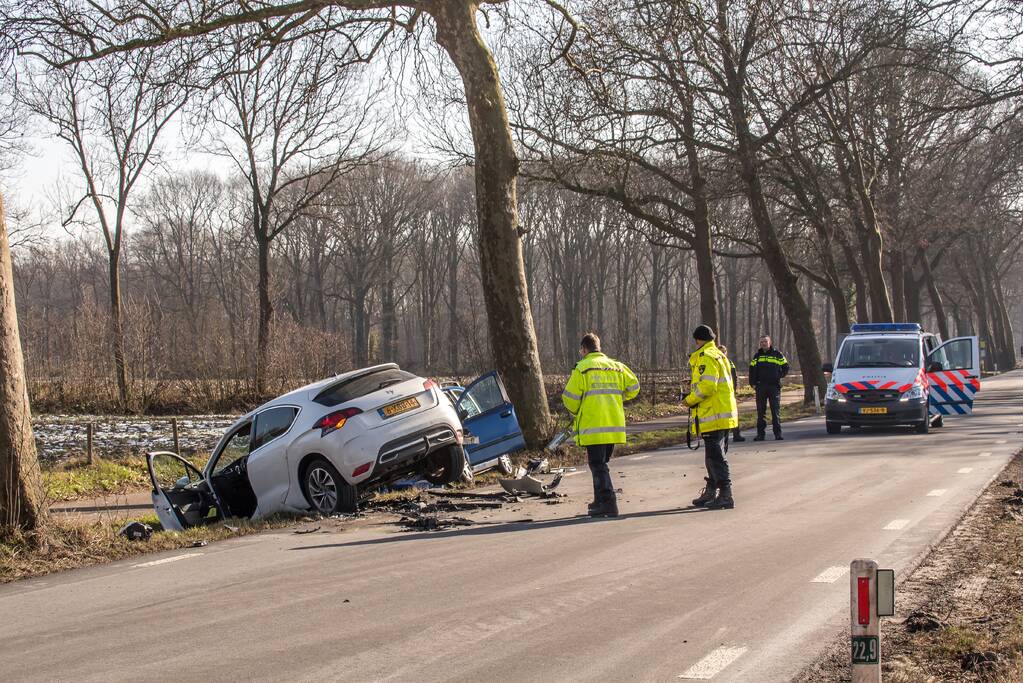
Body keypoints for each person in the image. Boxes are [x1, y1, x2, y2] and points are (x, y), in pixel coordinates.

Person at [562, 332, 640, 518]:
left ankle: (608, 502)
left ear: (584, 349)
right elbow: (635, 387)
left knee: (597, 465)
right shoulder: (617, 367)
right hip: (613, 424)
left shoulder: (582, 368)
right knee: (601, 464)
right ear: (599, 347)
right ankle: (599, 502)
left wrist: (576, 412)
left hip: (593, 424)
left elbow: (569, 397)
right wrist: (620, 397)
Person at [684, 325, 739, 510]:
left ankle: (725, 493)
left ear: (698, 340)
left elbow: (708, 386)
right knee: (712, 455)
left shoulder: (706, 357)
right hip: (720, 412)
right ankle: (712, 489)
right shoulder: (718, 355)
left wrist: (689, 400)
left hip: (713, 413)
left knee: (715, 456)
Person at [749, 334, 789, 441]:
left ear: (769, 342)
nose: (763, 344)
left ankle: (778, 434)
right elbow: (752, 370)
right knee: (760, 411)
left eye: (765, 342)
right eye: (761, 342)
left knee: (775, 411)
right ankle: (760, 435)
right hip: (760, 386)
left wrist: (778, 376)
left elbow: (786, 367)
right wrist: (752, 383)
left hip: (774, 387)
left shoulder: (777, 354)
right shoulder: (757, 356)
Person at [718, 344, 745, 442]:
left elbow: (735, 377)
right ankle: (722, 437)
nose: (722, 353)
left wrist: (734, 390)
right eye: (720, 351)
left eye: (723, 352)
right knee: (722, 416)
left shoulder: (730, 363)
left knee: (734, 414)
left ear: (726, 353)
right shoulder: (715, 363)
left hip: (730, 394)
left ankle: (736, 435)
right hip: (719, 395)